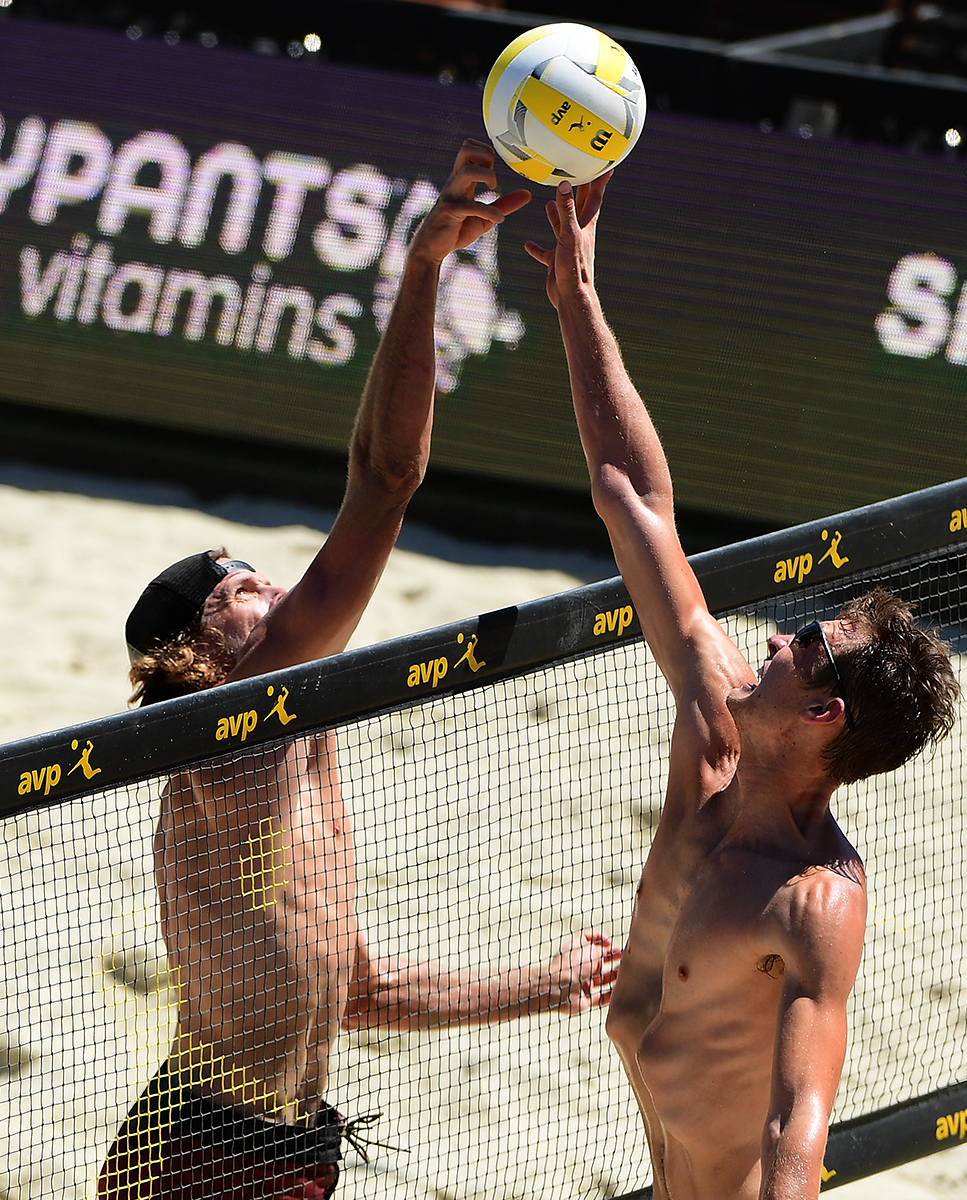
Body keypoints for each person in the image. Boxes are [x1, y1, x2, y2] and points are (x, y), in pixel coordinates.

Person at [98, 141, 620, 1200]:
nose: (273, 584)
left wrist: (546, 983)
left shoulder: (302, 741)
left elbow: (358, 990)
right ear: (202, 650)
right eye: (239, 587)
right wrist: (425, 265)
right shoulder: (235, 722)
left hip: (281, 1143)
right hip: (204, 1150)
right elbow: (385, 478)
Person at [526, 175, 959, 1200]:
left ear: (821, 715)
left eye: (803, 642)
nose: (771, 636)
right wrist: (576, 297)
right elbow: (631, 496)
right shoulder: (711, 728)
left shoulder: (813, 903)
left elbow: (793, 1129)